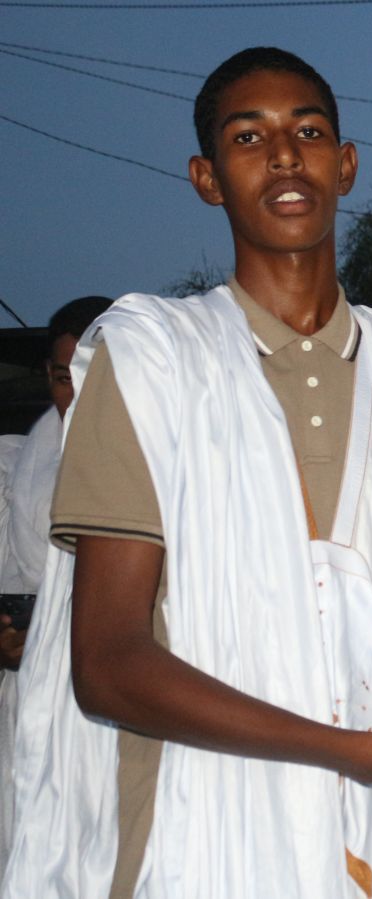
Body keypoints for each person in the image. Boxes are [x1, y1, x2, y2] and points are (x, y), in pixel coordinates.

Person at [3, 47, 372, 899]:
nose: (283, 156)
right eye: (247, 137)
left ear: (346, 166)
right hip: (202, 831)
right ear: (207, 178)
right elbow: (109, 663)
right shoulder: (153, 360)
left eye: (307, 132)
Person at [0, 295, 112, 881]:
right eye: (63, 377)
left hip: (117, 703)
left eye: (91, 375)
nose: (75, 394)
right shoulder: (17, 466)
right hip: (30, 704)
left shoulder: (173, 466)